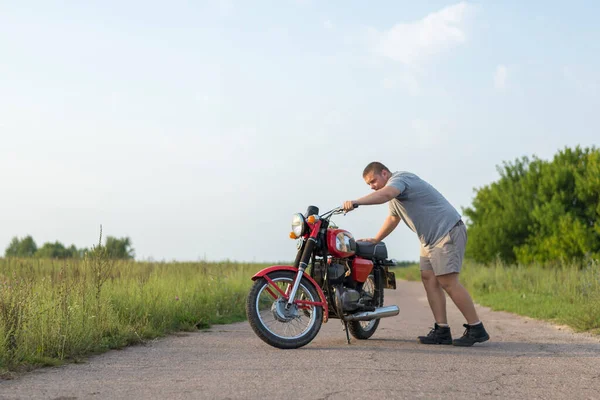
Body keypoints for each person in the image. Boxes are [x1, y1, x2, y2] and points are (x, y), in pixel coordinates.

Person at [342, 161, 490, 346]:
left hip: (447, 231)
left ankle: (476, 328)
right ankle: (442, 330)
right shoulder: (394, 197)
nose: (372, 187)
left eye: (373, 181)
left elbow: (385, 194)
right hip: (429, 239)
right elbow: (393, 218)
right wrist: (376, 239)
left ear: (385, 173)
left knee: (448, 282)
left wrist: (356, 202)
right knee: (429, 278)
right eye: (369, 185)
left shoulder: (401, 179)